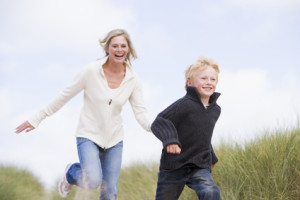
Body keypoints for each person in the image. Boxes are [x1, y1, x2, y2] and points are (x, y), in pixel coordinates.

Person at [15, 29, 152, 200]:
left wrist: (154, 127)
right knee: (93, 180)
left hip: (114, 140)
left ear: (128, 49)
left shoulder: (133, 79)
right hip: (88, 135)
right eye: (115, 45)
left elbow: (141, 112)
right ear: (107, 49)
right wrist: (37, 118)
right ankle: (71, 173)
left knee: (110, 192)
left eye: (123, 46)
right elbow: (64, 95)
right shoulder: (91, 71)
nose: (119, 49)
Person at [151, 56, 221, 200]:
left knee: (210, 192)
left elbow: (202, 135)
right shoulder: (184, 104)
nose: (209, 82)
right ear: (189, 83)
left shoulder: (215, 110)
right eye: (203, 78)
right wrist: (170, 140)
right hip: (174, 166)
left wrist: (211, 156)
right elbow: (160, 121)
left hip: (199, 166)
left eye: (213, 79)